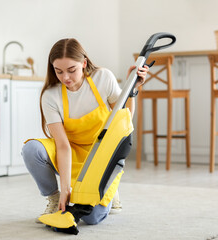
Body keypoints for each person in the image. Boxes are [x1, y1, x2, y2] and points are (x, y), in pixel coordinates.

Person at [22, 38, 148, 225]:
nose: (66, 78)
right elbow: (62, 146)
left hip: (102, 155)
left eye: (71, 70)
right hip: (71, 151)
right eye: (59, 71)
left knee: (91, 217)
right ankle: (54, 199)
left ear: (83, 63)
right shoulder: (51, 96)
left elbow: (125, 118)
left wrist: (133, 90)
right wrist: (65, 190)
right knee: (31, 149)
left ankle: (110, 187)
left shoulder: (103, 78)